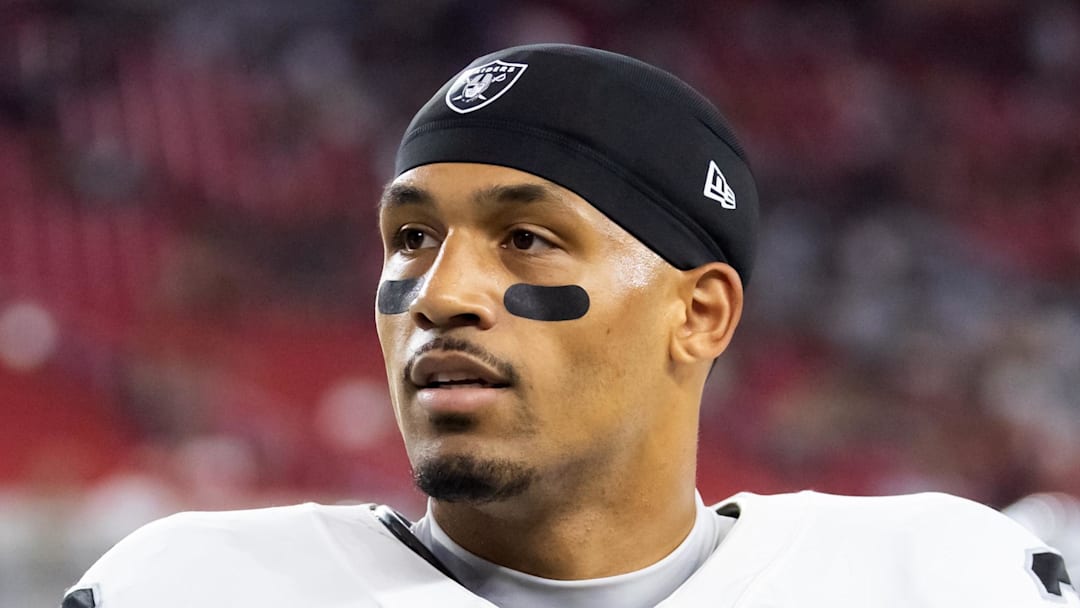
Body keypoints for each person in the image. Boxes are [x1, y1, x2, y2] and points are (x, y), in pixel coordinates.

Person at [64, 44, 1076, 608]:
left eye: (527, 240)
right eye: (411, 235)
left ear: (700, 312)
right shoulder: (190, 589)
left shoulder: (938, 579)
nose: (441, 290)